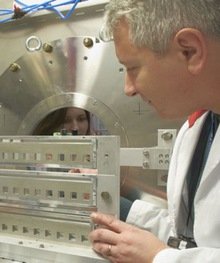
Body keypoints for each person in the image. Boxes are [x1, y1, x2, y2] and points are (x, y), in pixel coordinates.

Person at [89, 1, 220, 263]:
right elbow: (189, 234)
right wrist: (115, 203)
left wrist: (159, 258)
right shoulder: (198, 127)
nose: (129, 88)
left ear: (190, 51)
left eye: (133, 68)